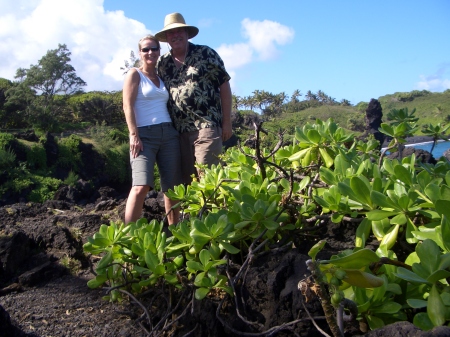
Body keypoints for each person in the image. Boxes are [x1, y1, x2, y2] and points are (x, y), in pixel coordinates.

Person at [155, 12, 232, 185]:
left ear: (187, 33)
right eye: (170, 33)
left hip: (207, 126)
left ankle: (217, 212)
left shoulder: (206, 53)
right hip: (178, 131)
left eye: (179, 31)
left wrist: (227, 122)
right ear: (166, 38)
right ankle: (197, 214)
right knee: (188, 181)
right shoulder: (163, 63)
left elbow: (224, 86)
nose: (175, 35)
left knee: (208, 177)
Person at [123, 34, 181, 225]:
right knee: (141, 186)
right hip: (144, 135)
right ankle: (127, 235)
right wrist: (134, 135)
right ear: (140, 53)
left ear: (159, 51)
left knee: (171, 188)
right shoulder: (134, 74)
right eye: (145, 49)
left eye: (154, 48)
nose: (150, 52)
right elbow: (127, 106)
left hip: (169, 134)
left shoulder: (162, 77)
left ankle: (175, 232)